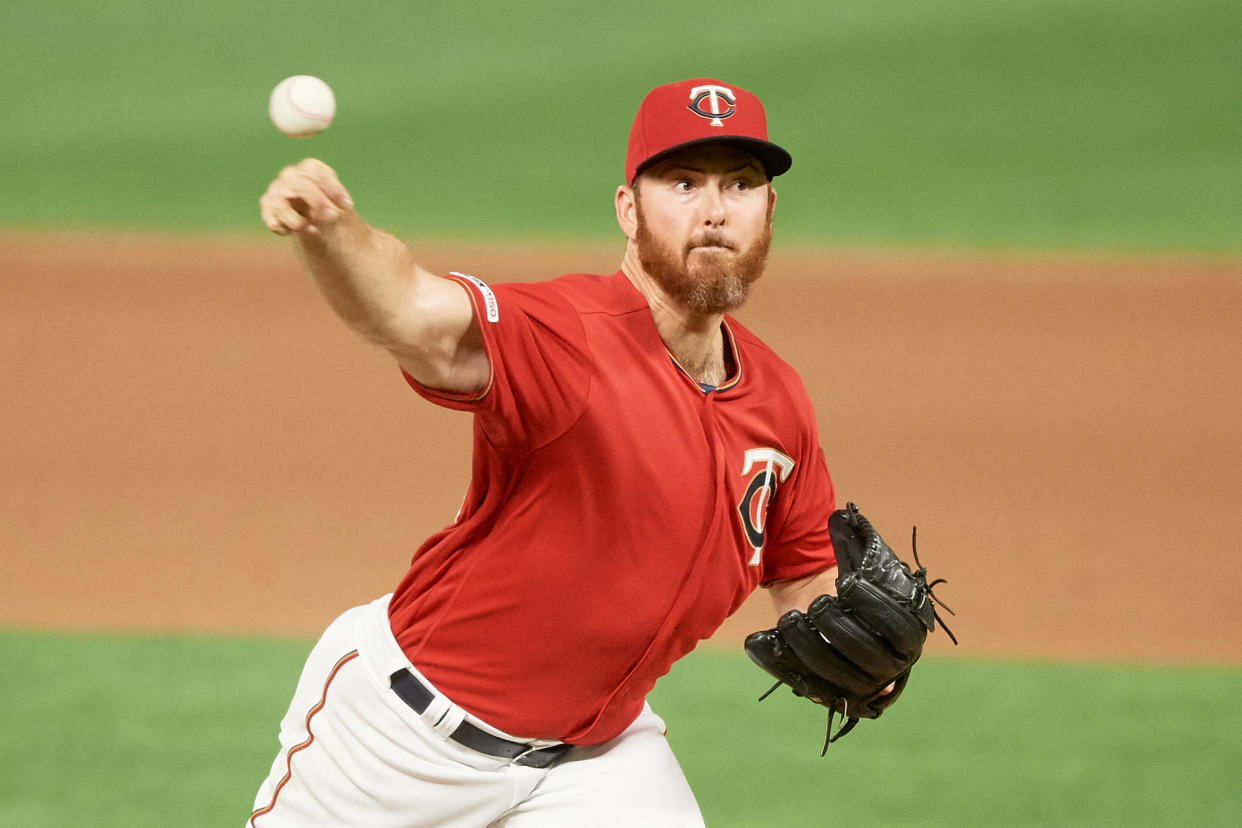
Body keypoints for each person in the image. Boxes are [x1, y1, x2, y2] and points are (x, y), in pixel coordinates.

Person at [249, 77, 839, 827]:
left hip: (596, 762)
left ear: (769, 209)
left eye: (741, 184)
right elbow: (415, 315)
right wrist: (331, 230)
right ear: (628, 209)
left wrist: (849, 645)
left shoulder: (779, 401)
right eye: (683, 183)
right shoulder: (568, 334)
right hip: (400, 742)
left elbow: (805, 566)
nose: (715, 209)